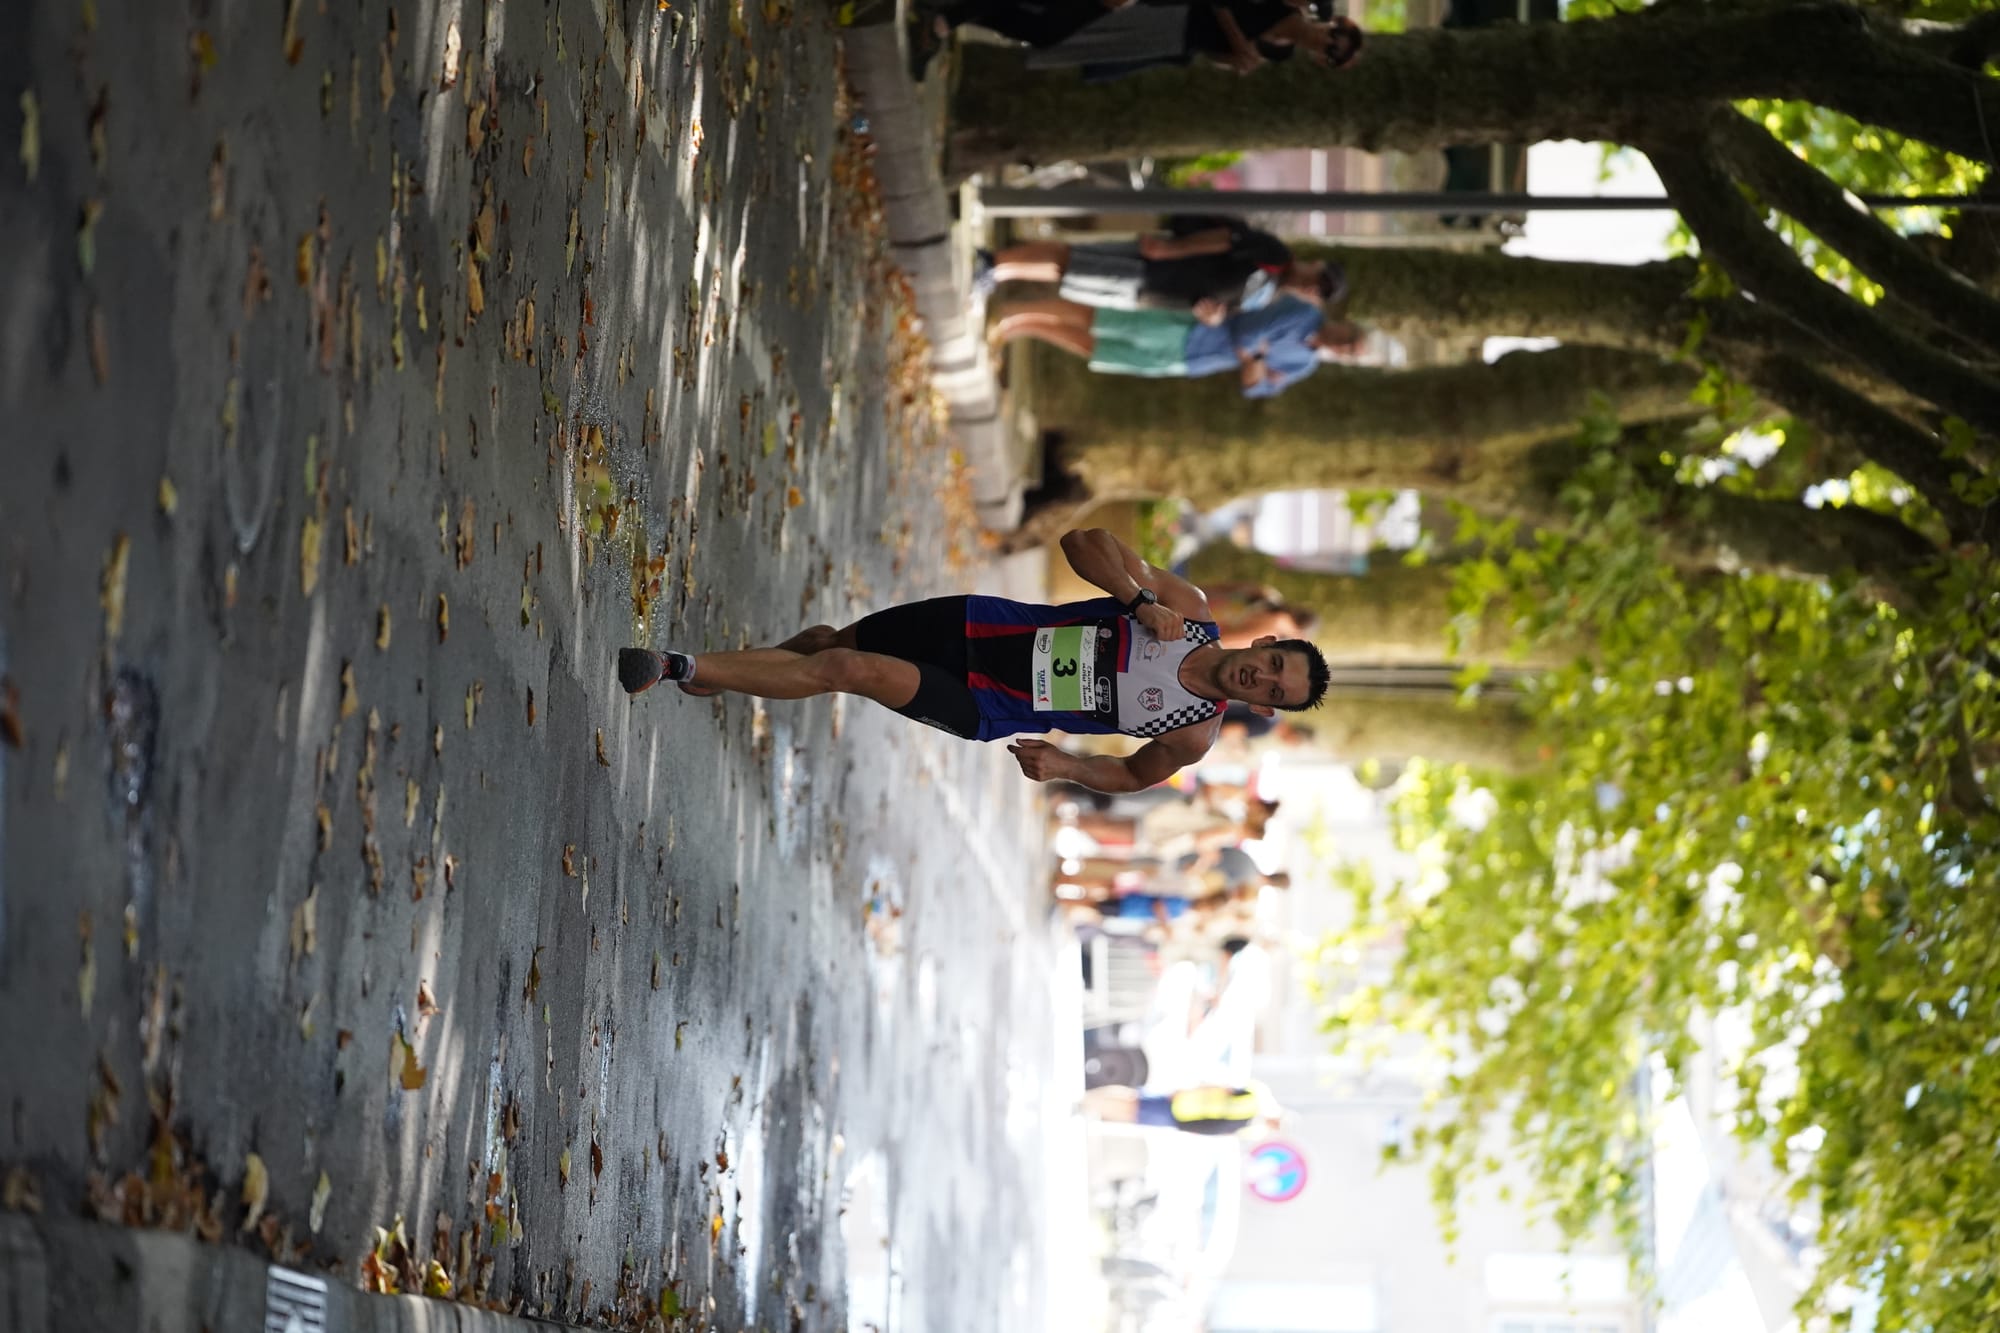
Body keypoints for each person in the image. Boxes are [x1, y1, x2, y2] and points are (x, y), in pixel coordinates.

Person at [618, 528, 1330, 792]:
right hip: (975, 625)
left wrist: (1071, 766)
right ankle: (742, 674)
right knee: (832, 646)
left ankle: (679, 665)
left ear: (1266, 708)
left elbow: (1134, 774)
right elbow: (1082, 542)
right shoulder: (1187, 607)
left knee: (846, 672)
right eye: (1274, 663)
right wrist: (1138, 597)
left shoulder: (1192, 735)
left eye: (1275, 690)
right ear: (1267, 644)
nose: (1261, 677)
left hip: (984, 705)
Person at [989, 294, 1337, 399]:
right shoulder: (1304, 313)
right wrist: (1256, 357)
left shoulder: (1305, 364)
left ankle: (1023, 328)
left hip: (1190, 362)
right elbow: (1247, 331)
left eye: (1353, 352)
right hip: (1190, 331)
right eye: (1353, 341)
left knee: (1098, 351)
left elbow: (1254, 388)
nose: (1347, 348)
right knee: (1102, 319)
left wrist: (1256, 356)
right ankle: (1014, 309)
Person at [982, 217, 1343, 318]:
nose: (1313, 287)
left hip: (1154, 293)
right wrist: (1171, 249)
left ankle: (1001, 271)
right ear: (1316, 265)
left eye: (1319, 294)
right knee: (1074, 260)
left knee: (1070, 274)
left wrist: (1214, 316)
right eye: (1319, 280)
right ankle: (994, 263)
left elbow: (1226, 305)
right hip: (1158, 266)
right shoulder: (1277, 256)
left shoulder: (1269, 298)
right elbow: (1226, 238)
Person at [1083, 1081, 1283, 1135]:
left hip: (1183, 1120)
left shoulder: (1253, 1128)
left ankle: (1094, 1105)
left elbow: (1220, 1130)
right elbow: (1223, 1089)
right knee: (1132, 1101)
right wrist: (1187, 1090)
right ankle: (1092, 1100)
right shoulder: (1254, 1098)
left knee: (1133, 1113)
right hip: (1183, 1102)